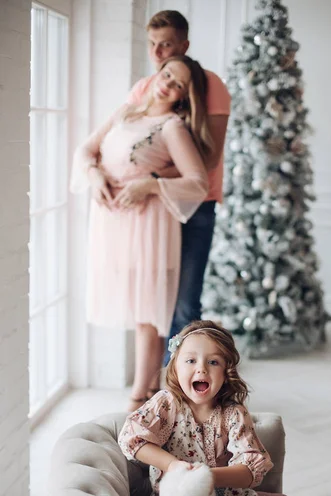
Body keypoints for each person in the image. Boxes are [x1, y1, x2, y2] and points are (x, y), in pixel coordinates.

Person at [70, 56, 213, 411]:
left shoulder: (172, 127)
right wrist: (94, 175)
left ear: (184, 96)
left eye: (178, 84)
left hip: (148, 224)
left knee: (147, 310)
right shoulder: (126, 112)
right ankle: (150, 393)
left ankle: (136, 400)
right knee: (135, 303)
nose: (167, 84)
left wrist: (151, 184)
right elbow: (86, 148)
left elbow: (198, 182)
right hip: (115, 222)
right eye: (167, 75)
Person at [118, 321, 296, 496]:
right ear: (175, 367)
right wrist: (174, 466)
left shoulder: (233, 413)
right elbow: (132, 438)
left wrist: (207, 478)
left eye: (213, 362)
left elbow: (250, 468)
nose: (201, 369)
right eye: (190, 361)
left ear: (226, 372)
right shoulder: (166, 404)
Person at [127, 10, 231, 373]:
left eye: (166, 44)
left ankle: (181, 393)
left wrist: (152, 176)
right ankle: (150, 390)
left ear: (184, 45)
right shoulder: (143, 87)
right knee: (151, 301)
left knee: (185, 303)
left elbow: (211, 157)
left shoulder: (211, 85)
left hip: (195, 205)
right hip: (150, 210)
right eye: (153, 44)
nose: (158, 53)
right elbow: (124, 141)